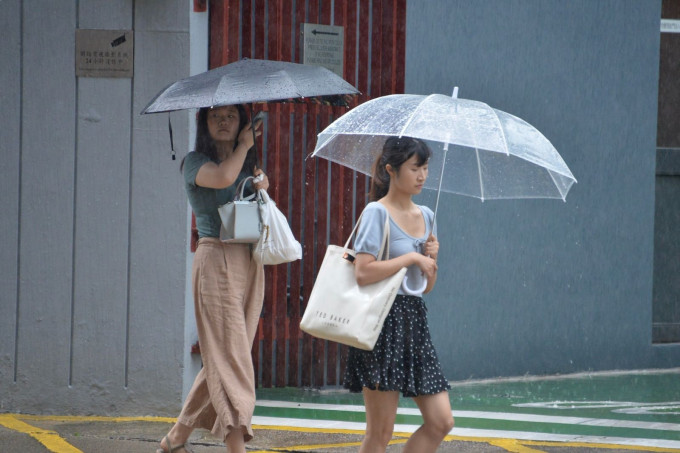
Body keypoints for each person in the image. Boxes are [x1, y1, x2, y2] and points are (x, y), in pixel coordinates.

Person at [157, 104, 267, 453]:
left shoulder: (246, 164)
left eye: (231, 116)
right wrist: (245, 148)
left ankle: (175, 438)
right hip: (216, 257)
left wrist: (262, 185)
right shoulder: (194, 162)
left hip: (249, 262)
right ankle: (237, 447)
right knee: (232, 358)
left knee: (225, 356)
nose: (223, 121)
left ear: (242, 123)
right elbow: (221, 178)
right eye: (215, 116)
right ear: (204, 123)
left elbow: (258, 209)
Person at [343, 136, 455, 453]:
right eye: (415, 168)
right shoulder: (376, 213)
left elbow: (424, 288)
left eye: (425, 168)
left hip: (413, 322)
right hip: (381, 323)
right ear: (391, 170)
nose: (422, 176)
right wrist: (411, 258)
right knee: (380, 433)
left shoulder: (428, 216)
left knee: (441, 421)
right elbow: (362, 272)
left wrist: (433, 260)